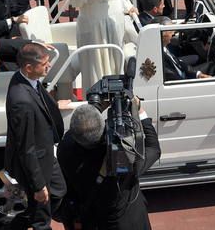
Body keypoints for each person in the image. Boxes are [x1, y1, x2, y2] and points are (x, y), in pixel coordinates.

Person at [57, 98, 161, 230]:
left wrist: (96, 107)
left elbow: (79, 129)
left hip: (93, 221)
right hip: (128, 222)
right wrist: (139, 110)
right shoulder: (123, 158)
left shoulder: (65, 150)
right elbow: (154, 148)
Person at [5, 43, 66, 230]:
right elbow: (26, 148)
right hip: (35, 165)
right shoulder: (21, 101)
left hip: (46, 154)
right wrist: (39, 186)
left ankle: (23, 220)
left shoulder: (26, 78)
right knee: (42, 218)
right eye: (45, 64)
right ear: (29, 68)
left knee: (59, 191)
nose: (48, 66)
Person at [154, 15, 213, 81]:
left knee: (211, 65)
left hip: (184, 74)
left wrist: (198, 74)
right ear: (162, 35)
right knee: (212, 66)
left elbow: (178, 62)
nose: (173, 33)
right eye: (170, 31)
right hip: (183, 82)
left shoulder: (162, 47)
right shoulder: (159, 57)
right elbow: (175, 79)